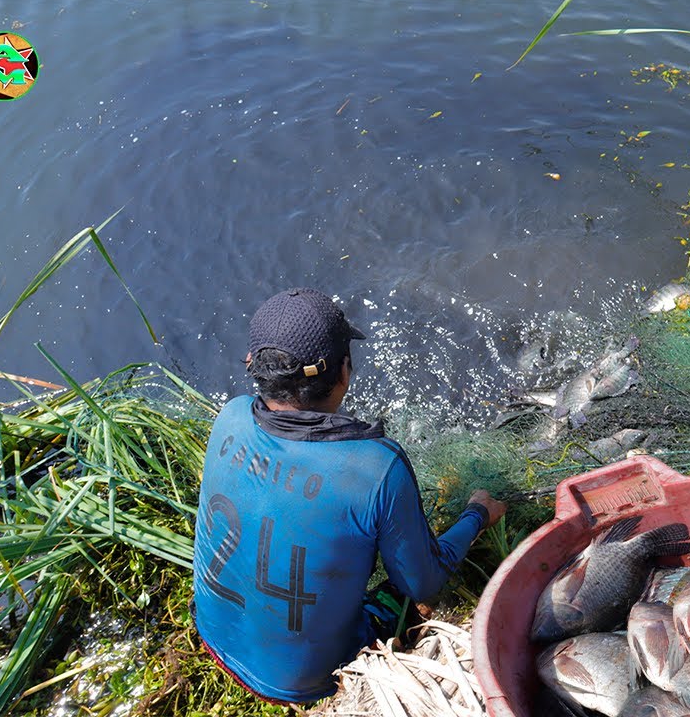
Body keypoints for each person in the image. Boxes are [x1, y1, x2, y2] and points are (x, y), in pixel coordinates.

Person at [191, 288, 506, 704]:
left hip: (212, 637)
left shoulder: (231, 415)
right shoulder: (377, 467)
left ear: (254, 365)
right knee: (413, 595)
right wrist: (477, 515)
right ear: (344, 371)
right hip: (306, 682)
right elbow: (423, 582)